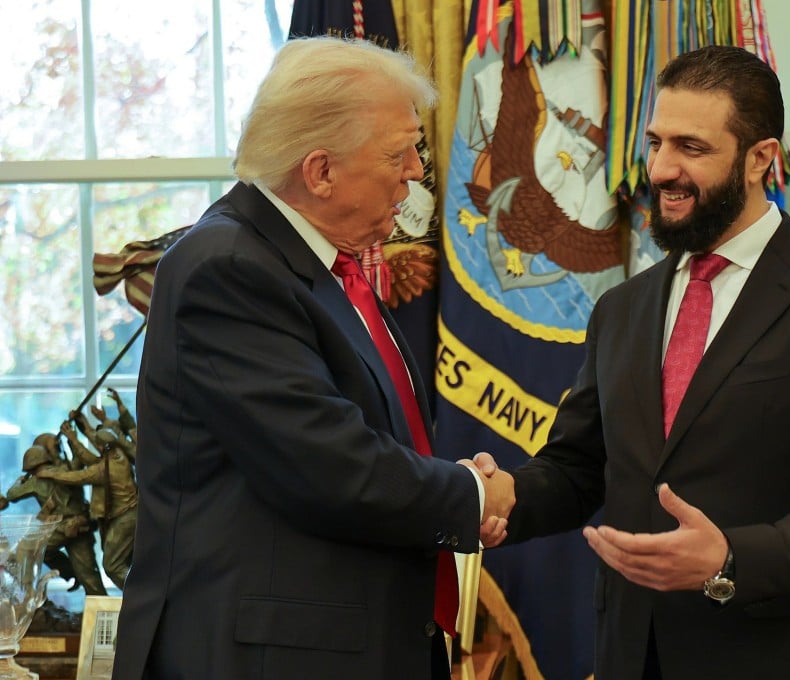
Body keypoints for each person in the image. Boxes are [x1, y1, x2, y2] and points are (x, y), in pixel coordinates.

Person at [478, 44, 790, 679]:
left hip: (779, 661)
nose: (660, 169)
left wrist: (729, 558)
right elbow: (578, 469)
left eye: (691, 148)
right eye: (655, 143)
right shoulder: (622, 309)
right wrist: (506, 496)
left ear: (762, 158)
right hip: (631, 656)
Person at [109, 36, 513, 680]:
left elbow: (370, 439)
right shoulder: (229, 267)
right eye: (399, 151)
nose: (416, 169)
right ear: (320, 171)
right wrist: (470, 493)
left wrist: (458, 484)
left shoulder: (329, 270)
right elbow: (330, 466)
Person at [0, 443, 107, 596]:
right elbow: (79, 462)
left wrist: (20, 481)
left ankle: (30, 595)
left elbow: (11, 495)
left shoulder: (35, 482)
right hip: (82, 525)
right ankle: (101, 609)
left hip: (60, 527)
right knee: (88, 573)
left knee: (31, 548)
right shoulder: (66, 471)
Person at [39, 426, 138, 589]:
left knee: (112, 566)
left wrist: (51, 474)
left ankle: (141, 595)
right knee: (122, 561)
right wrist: (73, 437)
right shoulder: (118, 455)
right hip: (126, 516)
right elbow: (89, 458)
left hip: (125, 518)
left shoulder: (105, 468)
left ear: (102, 447)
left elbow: (77, 477)